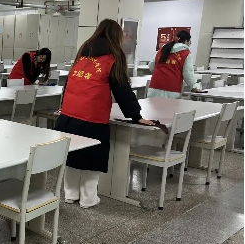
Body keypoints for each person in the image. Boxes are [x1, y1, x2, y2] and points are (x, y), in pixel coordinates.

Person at [55, 19, 154, 208]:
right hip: (91, 117)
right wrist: (136, 115)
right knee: (92, 158)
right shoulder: (113, 57)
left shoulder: (83, 53)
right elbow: (122, 88)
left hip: (67, 115)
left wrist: (63, 106)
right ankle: (88, 199)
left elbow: (69, 83)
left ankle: (70, 195)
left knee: (71, 156)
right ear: (116, 36)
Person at [147, 30, 201, 98]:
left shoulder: (162, 50)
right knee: (170, 105)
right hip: (172, 89)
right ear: (186, 41)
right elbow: (188, 73)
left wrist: (161, 73)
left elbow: (151, 65)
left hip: (155, 87)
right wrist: (194, 87)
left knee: (153, 105)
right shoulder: (185, 54)